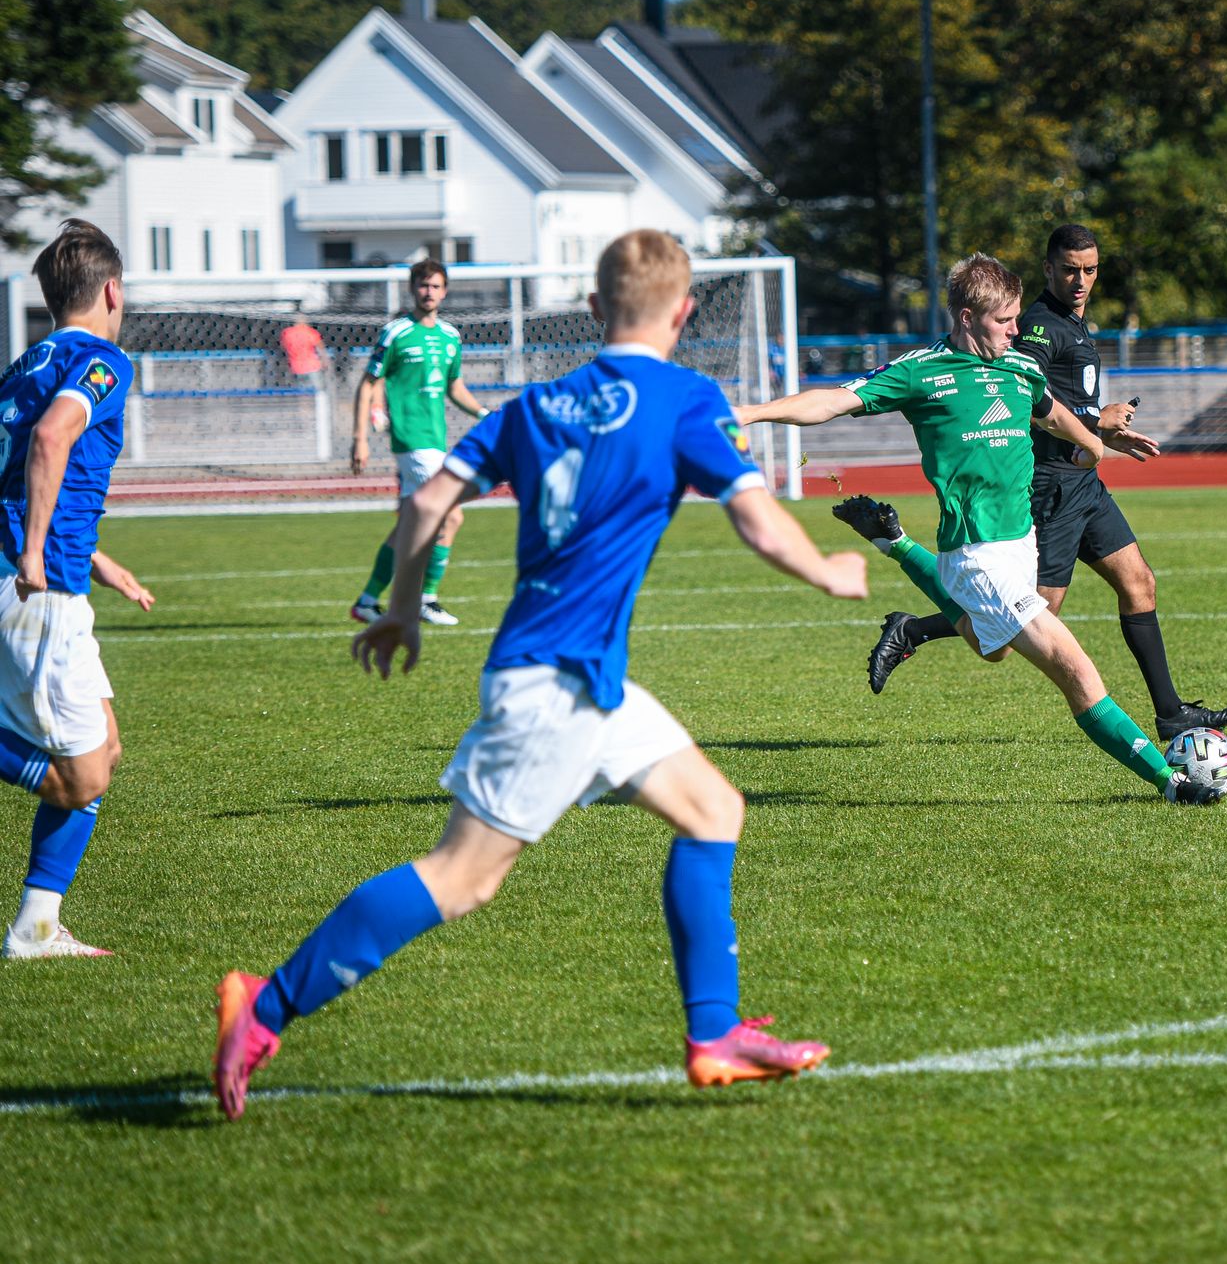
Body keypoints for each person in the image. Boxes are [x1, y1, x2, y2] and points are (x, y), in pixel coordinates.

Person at [213, 229, 867, 1119]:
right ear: (683, 313)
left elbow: (426, 502)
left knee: (714, 809)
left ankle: (714, 1036)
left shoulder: (533, 406)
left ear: (596, 310)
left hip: (579, 677)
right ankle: (267, 1004)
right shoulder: (686, 398)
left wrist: (402, 605)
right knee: (462, 877)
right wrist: (829, 570)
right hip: (552, 685)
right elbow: (757, 521)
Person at [738, 253, 1222, 806]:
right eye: (1005, 321)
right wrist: (749, 414)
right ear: (967, 317)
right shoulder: (921, 371)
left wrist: (1091, 442)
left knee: (991, 650)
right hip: (977, 556)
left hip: (1021, 544)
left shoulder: (1019, 366)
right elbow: (830, 401)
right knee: (1077, 672)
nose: (1017, 330)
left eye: (1016, 318)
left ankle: (894, 542)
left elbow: (1051, 409)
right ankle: (1172, 782)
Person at [844, 225, 1227, 741]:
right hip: (1051, 489)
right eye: (1070, 269)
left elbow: (1064, 408)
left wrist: (1102, 436)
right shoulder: (1035, 329)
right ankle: (913, 627)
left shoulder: (1072, 323)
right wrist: (1098, 422)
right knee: (1022, 626)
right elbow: (1027, 402)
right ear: (1049, 269)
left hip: (1085, 484)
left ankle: (1170, 712)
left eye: (1090, 269)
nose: (1081, 280)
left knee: (1139, 581)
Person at [0, 220, 159, 960]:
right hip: (36, 587)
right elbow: (53, 439)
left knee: (106, 745)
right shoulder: (102, 361)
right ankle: (34, 927)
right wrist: (36, 552)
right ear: (112, 291)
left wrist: (98, 559)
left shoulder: (25, 364)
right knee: (78, 774)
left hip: (53, 572)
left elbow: (22, 475)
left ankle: (36, 926)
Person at [349, 259, 489, 626]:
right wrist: (360, 438)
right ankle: (427, 600)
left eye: (436, 286)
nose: (429, 292)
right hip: (412, 440)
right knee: (451, 515)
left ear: (445, 291)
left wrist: (485, 414)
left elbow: (454, 386)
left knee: (408, 525)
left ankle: (366, 601)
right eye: (423, 285)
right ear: (413, 289)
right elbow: (367, 383)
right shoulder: (396, 333)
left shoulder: (450, 336)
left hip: (435, 440)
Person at [279, 314, 325, 385]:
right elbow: (320, 348)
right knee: (318, 389)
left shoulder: (287, 332)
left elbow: (283, 347)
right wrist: (325, 361)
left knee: (302, 390)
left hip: (296, 366)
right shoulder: (311, 332)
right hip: (312, 365)